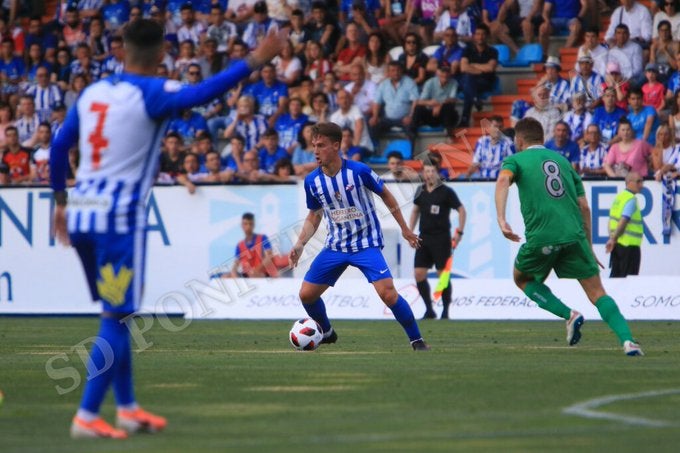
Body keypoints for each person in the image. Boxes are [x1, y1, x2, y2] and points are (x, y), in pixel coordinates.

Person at [49, 19, 284, 439]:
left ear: (120, 49)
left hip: (83, 211)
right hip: (118, 218)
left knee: (116, 314)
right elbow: (200, 94)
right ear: (162, 54)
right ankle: (86, 415)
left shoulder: (92, 93)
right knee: (116, 319)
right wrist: (255, 60)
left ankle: (128, 409)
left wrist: (60, 202)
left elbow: (59, 145)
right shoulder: (154, 92)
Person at [495, 117, 643, 356]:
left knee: (521, 279)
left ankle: (569, 314)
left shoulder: (515, 160)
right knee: (597, 293)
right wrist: (589, 247)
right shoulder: (564, 162)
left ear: (519, 140)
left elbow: (503, 180)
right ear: (542, 139)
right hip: (574, 237)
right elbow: (584, 207)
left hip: (542, 237)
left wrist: (501, 219)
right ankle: (628, 341)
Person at [288, 122, 431, 351]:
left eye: (321, 145)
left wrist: (405, 229)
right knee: (306, 295)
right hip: (336, 246)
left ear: (336, 145)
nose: (315, 151)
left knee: (388, 294)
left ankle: (417, 340)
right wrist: (300, 243)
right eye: (314, 145)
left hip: (366, 244)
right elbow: (314, 215)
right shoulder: (312, 181)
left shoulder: (359, 171)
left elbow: (387, 196)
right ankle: (327, 332)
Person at [409, 161, 466, 320]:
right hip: (424, 237)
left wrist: (460, 231)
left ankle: (446, 310)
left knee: (443, 275)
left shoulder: (446, 192)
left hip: (441, 238)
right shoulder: (420, 191)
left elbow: (461, 210)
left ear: (437, 173)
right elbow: (415, 211)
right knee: (419, 273)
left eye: (432, 171)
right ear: (423, 173)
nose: (429, 174)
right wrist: (410, 232)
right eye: (426, 171)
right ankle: (429, 309)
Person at [606, 172, 644, 277]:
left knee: (616, 277)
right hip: (629, 247)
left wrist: (612, 238)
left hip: (617, 246)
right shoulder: (630, 199)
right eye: (638, 182)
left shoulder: (619, 198)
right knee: (629, 280)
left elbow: (610, 221)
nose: (641, 185)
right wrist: (613, 239)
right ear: (629, 182)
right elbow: (624, 220)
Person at [230, 212, 278, 278]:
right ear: (242, 225)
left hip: (262, 274)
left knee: (254, 276)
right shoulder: (240, 245)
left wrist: (256, 270)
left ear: (254, 225)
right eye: (246, 224)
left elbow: (269, 257)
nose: (248, 226)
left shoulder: (263, 238)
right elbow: (236, 263)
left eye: (250, 224)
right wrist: (233, 272)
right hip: (247, 275)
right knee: (226, 276)